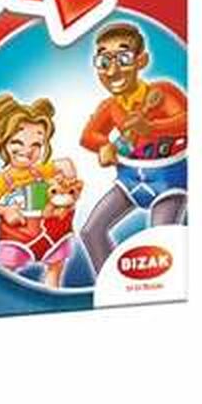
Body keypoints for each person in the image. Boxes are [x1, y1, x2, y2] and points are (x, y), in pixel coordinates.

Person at [79, 22, 187, 274]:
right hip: (129, 182)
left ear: (141, 61)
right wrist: (104, 145)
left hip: (168, 181)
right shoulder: (111, 106)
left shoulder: (162, 92)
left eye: (123, 59)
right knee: (91, 231)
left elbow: (187, 121)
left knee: (160, 241)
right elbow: (88, 136)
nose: (113, 70)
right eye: (104, 61)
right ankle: (109, 281)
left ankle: (161, 289)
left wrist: (152, 127)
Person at [0, 94, 80, 289]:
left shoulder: (40, 170)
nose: (28, 151)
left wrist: (68, 176)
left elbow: (64, 164)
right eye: (17, 143)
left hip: (52, 237)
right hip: (18, 238)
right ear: (0, 143)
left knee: (55, 268)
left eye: (36, 145)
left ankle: (52, 296)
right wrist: (5, 210)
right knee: (5, 274)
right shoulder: (3, 179)